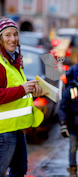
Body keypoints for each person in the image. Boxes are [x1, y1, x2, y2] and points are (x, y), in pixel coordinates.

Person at [0, 17, 45, 177]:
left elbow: (16, 92)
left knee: (20, 170)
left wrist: (31, 92)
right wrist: (22, 89)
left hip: (17, 128)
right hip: (4, 130)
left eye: (15, 34)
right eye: (7, 35)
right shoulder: (1, 63)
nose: (13, 39)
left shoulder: (13, 60)